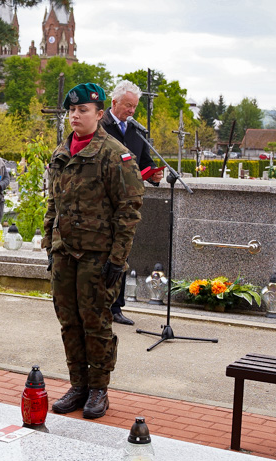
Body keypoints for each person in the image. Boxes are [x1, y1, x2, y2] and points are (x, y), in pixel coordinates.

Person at [42, 82, 144, 419]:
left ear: (99, 114)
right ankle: (78, 385)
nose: (75, 115)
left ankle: (99, 389)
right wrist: (48, 245)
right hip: (64, 253)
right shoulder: (61, 152)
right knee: (69, 322)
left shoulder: (115, 154)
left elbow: (128, 210)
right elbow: (52, 204)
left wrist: (118, 259)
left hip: (97, 256)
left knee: (96, 322)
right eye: (71, 110)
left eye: (83, 110)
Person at [99, 79, 161, 326]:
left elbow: (145, 161)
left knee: (121, 252)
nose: (131, 111)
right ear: (114, 103)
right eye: (127, 105)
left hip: (127, 203)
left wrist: (154, 175)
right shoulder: (100, 126)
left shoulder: (137, 130)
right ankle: (98, 304)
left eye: (134, 106)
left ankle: (116, 307)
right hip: (103, 201)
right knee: (101, 254)